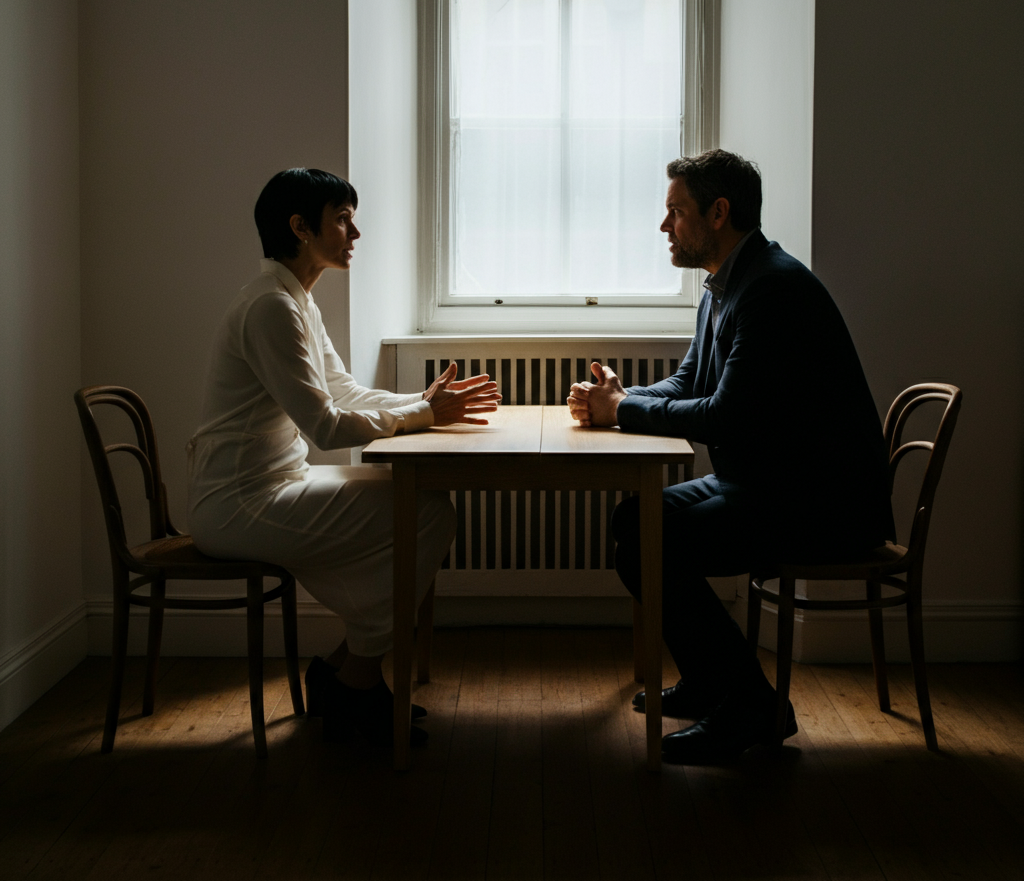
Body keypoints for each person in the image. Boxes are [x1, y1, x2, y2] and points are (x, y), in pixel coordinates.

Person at [568, 149, 894, 764]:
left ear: (719, 213)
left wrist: (623, 410)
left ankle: (750, 706)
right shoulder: (724, 286)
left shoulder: (771, 288)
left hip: (824, 505)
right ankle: (719, 684)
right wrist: (624, 397)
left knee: (647, 540)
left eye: (675, 212)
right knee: (631, 522)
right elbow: (691, 382)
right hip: (770, 484)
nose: (665, 227)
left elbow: (723, 415)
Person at [187, 168, 500, 747]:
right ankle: (355, 678)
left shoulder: (294, 300)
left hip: (271, 485)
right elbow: (327, 426)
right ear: (301, 227)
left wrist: (423, 400)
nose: (355, 233)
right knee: (427, 514)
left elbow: (345, 391)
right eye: (342, 219)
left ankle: (345, 671)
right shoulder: (271, 308)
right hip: (237, 503)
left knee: (425, 505)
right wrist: (428, 416)